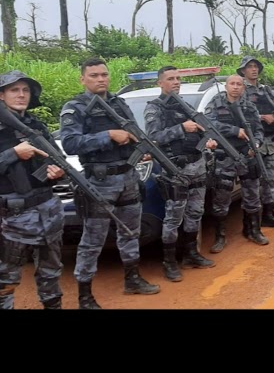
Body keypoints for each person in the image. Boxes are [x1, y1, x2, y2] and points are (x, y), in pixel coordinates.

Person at [60, 58, 160, 309]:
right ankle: (85, 295)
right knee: (93, 239)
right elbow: (71, 143)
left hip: (128, 175)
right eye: (94, 75)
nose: (101, 79)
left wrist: (143, 148)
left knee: (130, 232)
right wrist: (108, 136)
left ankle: (132, 279)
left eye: (104, 74)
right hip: (99, 181)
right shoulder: (75, 107)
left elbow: (135, 132)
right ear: (83, 79)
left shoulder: (119, 104)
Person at [143, 66, 216, 282]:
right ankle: (170, 262)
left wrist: (208, 140)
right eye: (171, 79)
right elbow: (153, 138)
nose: (176, 82)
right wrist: (182, 128)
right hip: (175, 169)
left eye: (178, 78)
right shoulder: (154, 108)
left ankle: (191, 254)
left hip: (197, 165)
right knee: (173, 217)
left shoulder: (185, 106)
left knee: (195, 213)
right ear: (160, 83)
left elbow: (202, 131)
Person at [0, 71, 66, 309]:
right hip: (10, 218)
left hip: (47, 211)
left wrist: (57, 171)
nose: (21, 95)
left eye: (25, 90)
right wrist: (13, 154)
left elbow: (57, 159)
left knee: (51, 270)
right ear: (1, 95)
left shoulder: (36, 126)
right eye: (14, 90)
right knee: (6, 277)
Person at [204, 74, 269, 253]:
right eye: (232, 84)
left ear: (243, 88)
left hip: (247, 156)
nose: (235, 87)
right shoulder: (216, 103)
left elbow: (258, 130)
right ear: (226, 86)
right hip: (224, 156)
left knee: (252, 196)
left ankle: (253, 230)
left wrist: (255, 145)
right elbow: (208, 123)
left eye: (239, 84)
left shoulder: (249, 106)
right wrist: (234, 130)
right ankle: (220, 237)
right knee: (221, 199)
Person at [237, 56, 274, 227]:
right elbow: (238, 114)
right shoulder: (240, 89)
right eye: (250, 66)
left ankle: (269, 213)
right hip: (253, 143)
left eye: (256, 66)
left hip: (270, 141)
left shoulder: (266, 90)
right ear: (243, 70)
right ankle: (252, 223)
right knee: (253, 185)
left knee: (270, 179)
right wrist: (261, 117)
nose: (254, 69)